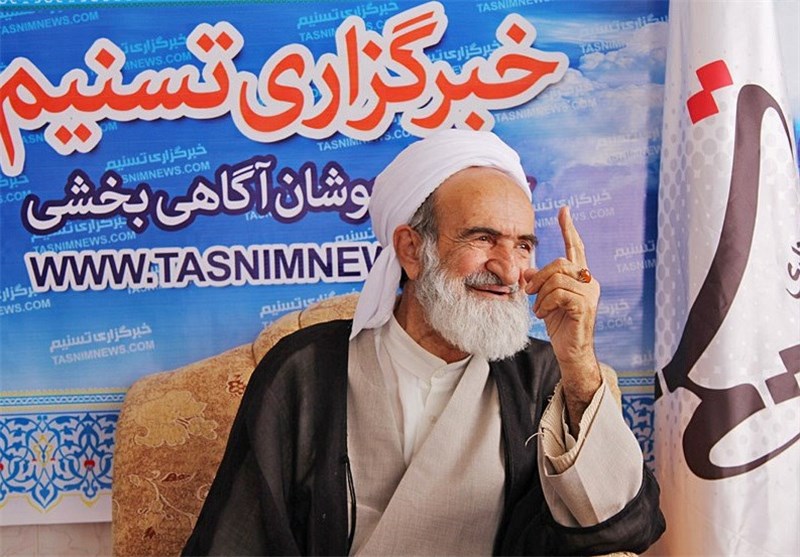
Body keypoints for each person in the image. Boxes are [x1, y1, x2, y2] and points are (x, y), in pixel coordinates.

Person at [182, 130, 665, 556]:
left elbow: (625, 526)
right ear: (412, 250)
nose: (507, 269)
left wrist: (578, 361)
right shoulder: (305, 371)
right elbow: (238, 542)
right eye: (482, 238)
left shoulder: (542, 376)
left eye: (522, 245)